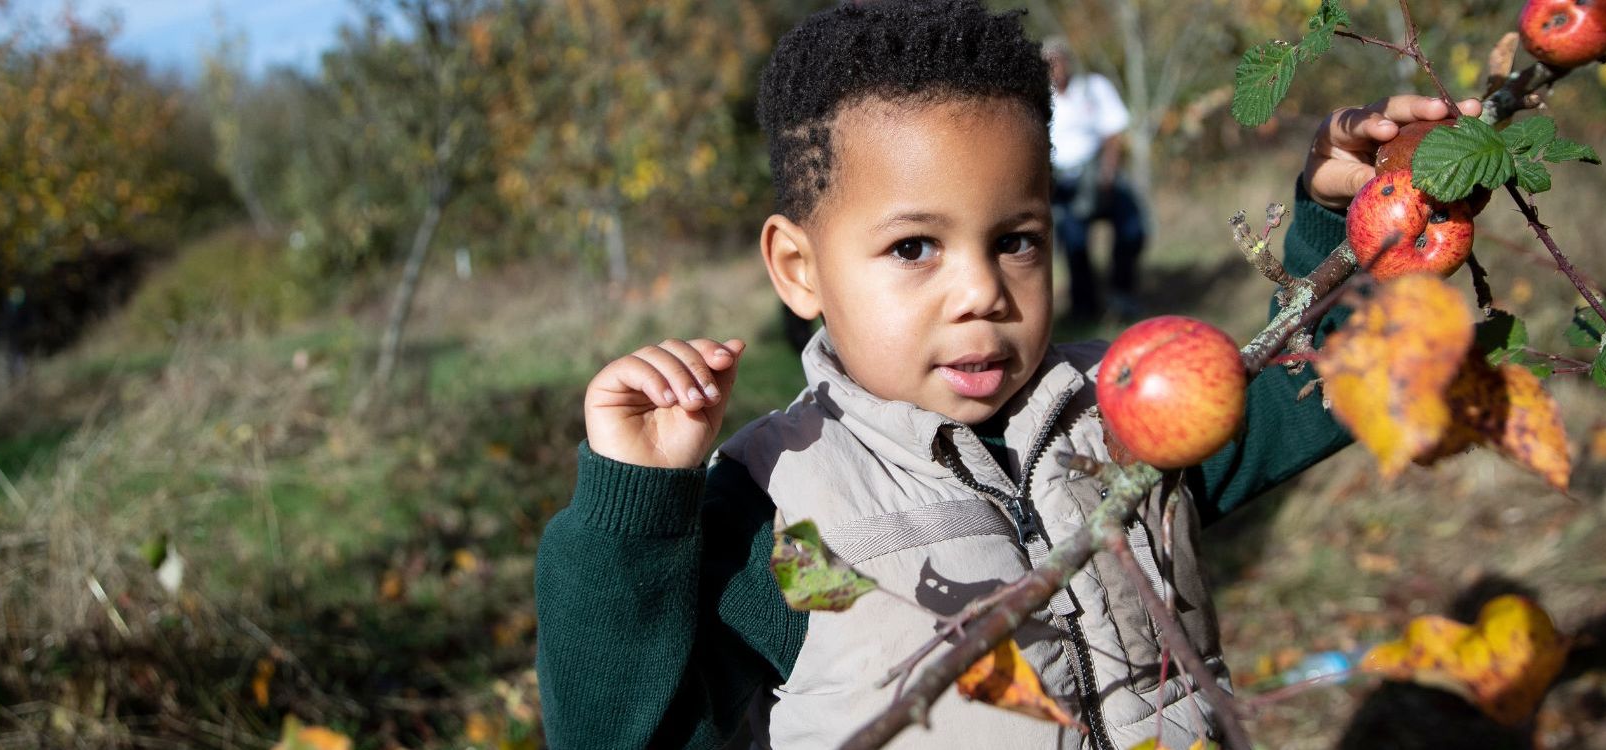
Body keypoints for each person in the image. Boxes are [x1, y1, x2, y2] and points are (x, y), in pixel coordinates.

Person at [534, 2, 1480, 747]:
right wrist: (633, 514)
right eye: (914, 248)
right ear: (799, 270)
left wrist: (1357, 231)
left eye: (1017, 240)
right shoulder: (774, 511)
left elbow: (1328, 387)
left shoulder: (1120, 410)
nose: (983, 291)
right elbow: (623, 737)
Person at [1043, 37, 1144, 322]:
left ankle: (1122, 294)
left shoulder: (1093, 88)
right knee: (1074, 242)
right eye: (1048, 64)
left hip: (1098, 172)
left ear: (1068, 61)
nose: (1055, 69)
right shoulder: (1039, 97)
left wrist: (1108, 173)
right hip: (1062, 180)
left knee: (1132, 227)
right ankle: (1084, 307)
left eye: (1058, 61)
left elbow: (1113, 133)